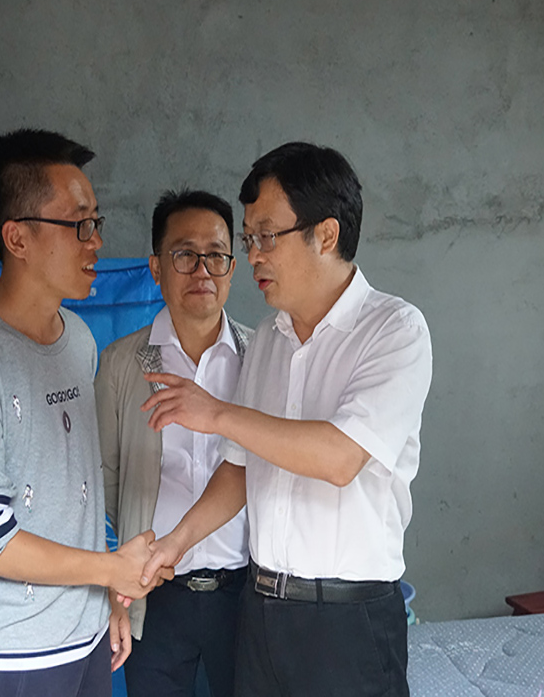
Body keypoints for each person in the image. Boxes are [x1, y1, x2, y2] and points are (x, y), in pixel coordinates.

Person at [140, 142, 433, 697]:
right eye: (249, 238)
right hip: (261, 612)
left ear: (326, 235)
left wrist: (218, 413)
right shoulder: (269, 340)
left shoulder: (394, 330)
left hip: (346, 621)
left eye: (266, 236)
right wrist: (176, 543)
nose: (253, 255)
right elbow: (240, 468)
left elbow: (340, 458)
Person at [0, 129, 167, 697]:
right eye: (78, 224)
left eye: (96, 222)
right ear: (18, 238)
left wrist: (107, 597)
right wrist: (111, 570)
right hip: (10, 658)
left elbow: (77, 495)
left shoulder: (77, 338)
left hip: (86, 640)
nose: (95, 241)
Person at [96, 189, 251, 697]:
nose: (202, 270)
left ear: (232, 268)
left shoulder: (260, 358)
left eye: (216, 255)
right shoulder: (122, 363)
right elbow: (104, 482)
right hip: (156, 594)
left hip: (245, 592)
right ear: (156, 267)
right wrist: (118, 586)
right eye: (185, 254)